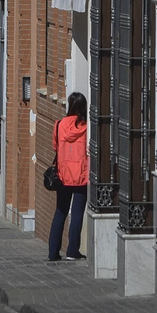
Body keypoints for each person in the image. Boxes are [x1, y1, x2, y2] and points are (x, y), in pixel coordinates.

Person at [47, 92, 89, 262]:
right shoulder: (87, 127)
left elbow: (55, 146)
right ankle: (72, 251)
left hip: (63, 176)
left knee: (60, 212)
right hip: (81, 175)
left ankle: (53, 252)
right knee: (77, 213)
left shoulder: (59, 125)